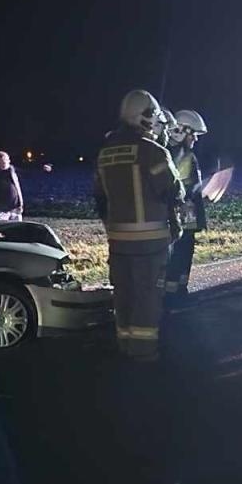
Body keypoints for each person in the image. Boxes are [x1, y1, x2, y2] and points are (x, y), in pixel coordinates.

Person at [94, 89, 184, 361]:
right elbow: (173, 191)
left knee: (124, 295)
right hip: (151, 242)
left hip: (118, 240)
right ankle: (144, 352)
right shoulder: (152, 151)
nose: (157, 122)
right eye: (154, 116)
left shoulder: (105, 153)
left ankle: (124, 345)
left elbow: (100, 198)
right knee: (147, 297)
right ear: (143, 117)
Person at [164, 109, 208, 298]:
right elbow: (182, 190)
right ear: (181, 130)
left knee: (185, 251)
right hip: (181, 215)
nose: (195, 139)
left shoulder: (184, 154)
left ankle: (180, 289)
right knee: (179, 254)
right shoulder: (180, 156)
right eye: (193, 134)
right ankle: (173, 295)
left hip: (187, 215)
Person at [0, 150, 24, 220]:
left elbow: (19, 187)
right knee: (3, 229)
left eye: (6, 159)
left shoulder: (13, 171)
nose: (5, 162)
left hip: (15, 209)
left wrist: (20, 203)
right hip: (1, 211)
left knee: (17, 229)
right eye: (2, 160)